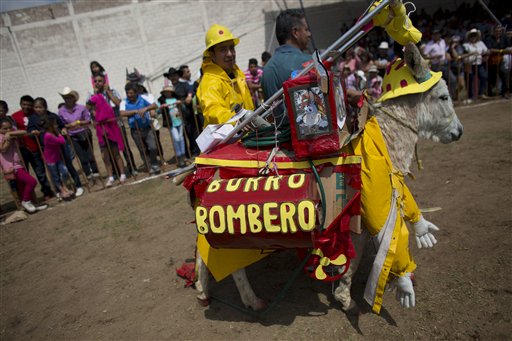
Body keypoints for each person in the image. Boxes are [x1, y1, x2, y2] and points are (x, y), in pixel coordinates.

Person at [196, 23, 254, 126]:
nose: (230, 54)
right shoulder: (209, 82)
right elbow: (213, 110)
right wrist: (237, 121)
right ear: (212, 55)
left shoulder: (237, 73)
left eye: (231, 48)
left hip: (247, 134)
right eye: (223, 50)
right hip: (228, 140)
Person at [261, 9, 312, 125]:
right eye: (306, 29)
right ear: (295, 32)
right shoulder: (309, 63)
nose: (309, 34)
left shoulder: (268, 69)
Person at [29, 97, 84, 197]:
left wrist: (63, 129)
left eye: (40, 107)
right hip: (47, 149)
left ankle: (78, 185)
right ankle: (60, 190)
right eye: (36, 107)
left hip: (60, 146)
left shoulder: (52, 116)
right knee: (53, 171)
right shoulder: (32, 119)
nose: (38, 109)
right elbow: (30, 130)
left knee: (68, 165)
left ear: (45, 107)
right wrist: (33, 132)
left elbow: (62, 125)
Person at [88, 72, 136, 177]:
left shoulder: (113, 91)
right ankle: (116, 172)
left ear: (104, 82)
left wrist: (108, 92)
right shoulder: (92, 96)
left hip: (116, 123)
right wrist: (96, 95)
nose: (97, 83)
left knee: (124, 146)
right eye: (95, 81)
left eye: (100, 81)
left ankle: (132, 168)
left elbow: (119, 104)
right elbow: (91, 110)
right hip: (104, 126)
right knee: (109, 150)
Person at [0, 118, 48, 213]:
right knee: (32, 182)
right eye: (5, 128)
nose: (8, 130)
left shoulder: (11, 133)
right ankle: (26, 201)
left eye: (10, 128)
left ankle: (31, 203)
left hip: (19, 163)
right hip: (11, 167)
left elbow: (23, 132)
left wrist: (11, 133)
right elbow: (3, 149)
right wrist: (8, 139)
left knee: (23, 186)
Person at [11, 95, 54, 200]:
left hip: (35, 148)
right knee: (25, 174)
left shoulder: (35, 115)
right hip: (23, 149)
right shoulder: (14, 117)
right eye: (24, 104)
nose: (26, 107)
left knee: (40, 172)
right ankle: (28, 196)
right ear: (20, 104)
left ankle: (47, 191)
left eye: (29, 105)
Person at [57, 87, 100, 179]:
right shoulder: (61, 111)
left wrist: (77, 122)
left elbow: (88, 121)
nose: (67, 99)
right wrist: (66, 127)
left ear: (73, 97)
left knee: (90, 154)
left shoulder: (81, 108)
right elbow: (61, 124)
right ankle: (88, 174)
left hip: (84, 133)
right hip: (72, 135)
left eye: (69, 97)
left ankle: (96, 172)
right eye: (65, 97)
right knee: (81, 156)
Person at [120, 82, 160, 174]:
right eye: (127, 93)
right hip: (135, 130)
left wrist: (145, 109)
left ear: (136, 92)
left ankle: (154, 163)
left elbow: (154, 105)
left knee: (153, 147)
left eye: (131, 93)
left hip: (147, 127)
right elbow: (122, 113)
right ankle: (149, 166)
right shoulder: (124, 102)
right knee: (142, 149)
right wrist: (136, 111)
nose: (129, 95)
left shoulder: (143, 98)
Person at [88, 94, 126, 186]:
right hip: (102, 135)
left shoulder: (107, 108)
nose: (93, 105)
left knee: (116, 154)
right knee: (105, 156)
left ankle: (122, 174)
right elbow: (95, 123)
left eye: (94, 103)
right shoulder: (94, 112)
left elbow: (109, 120)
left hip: (111, 134)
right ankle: (110, 176)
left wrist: (100, 120)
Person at [41, 116, 74, 199]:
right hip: (50, 159)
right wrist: (59, 133)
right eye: (55, 124)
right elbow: (61, 141)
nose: (56, 126)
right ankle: (61, 190)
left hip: (57, 157)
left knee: (65, 171)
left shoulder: (52, 134)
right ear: (50, 126)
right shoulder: (48, 135)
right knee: (55, 176)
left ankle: (64, 187)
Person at [422, 28, 457, 97]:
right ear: (432, 36)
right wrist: (434, 57)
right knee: (437, 84)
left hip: (444, 64)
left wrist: (447, 54)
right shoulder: (429, 45)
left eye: (438, 34)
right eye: (435, 34)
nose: (437, 36)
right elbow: (424, 56)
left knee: (452, 80)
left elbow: (445, 50)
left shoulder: (443, 42)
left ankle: (450, 97)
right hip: (435, 66)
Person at [158, 86, 187, 167]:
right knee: (176, 138)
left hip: (179, 121)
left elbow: (183, 108)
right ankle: (179, 155)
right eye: (166, 92)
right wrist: (161, 107)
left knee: (181, 138)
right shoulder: (162, 101)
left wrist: (180, 103)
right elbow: (157, 110)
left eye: (169, 91)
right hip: (171, 123)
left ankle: (183, 155)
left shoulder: (176, 99)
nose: (167, 93)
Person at [485, 25, 511, 98]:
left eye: (500, 31)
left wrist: (500, 51)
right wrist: (502, 51)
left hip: (502, 60)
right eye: (496, 31)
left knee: (504, 75)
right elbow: (490, 49)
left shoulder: (504, 38)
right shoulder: (489, 39)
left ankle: (505, 91)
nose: (498, 32)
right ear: (493, 31)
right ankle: (489, 92)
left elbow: (508, 47)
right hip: (492, 61)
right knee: (491, 77)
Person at [463, 28, 489, 99]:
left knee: (484, 76)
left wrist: (486, 56)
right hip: (469, 64)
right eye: (472, 36)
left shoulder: (480, 43)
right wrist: (472, 54)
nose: (473, 37)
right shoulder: (466, 45)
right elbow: (464, 55)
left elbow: (486, 51)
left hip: (479, 64)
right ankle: (470, 96)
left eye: (475, 36)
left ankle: (481, 93)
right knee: (470, 80)